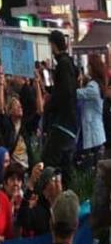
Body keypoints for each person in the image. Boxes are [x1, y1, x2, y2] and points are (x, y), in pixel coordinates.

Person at [41, 30, 78, 181]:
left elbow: (65, 92)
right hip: (69, 124)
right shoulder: (68, 63)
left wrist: (49, 105)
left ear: (53, 45)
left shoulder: (63, 64)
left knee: (50, 163)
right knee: (64, 165)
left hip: (62, 123)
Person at [76, 52, 106, 170]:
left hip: (93, 131)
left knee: (92, 167)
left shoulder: (93, 86)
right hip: (96, 131)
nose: (87, 68)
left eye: (88, 66)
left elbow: (78, 94)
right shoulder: (98, 84)